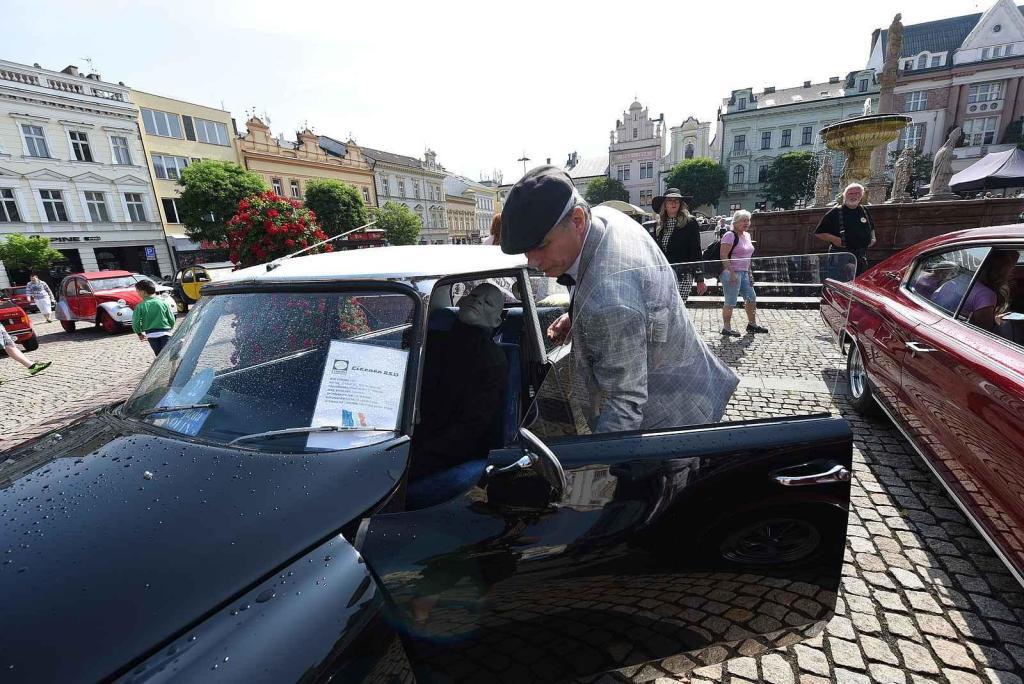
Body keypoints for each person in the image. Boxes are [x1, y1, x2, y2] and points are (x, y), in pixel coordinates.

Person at [500, 165, 738, 433]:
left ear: (577, 219)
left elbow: (623, 407)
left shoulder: (609, 301)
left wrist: (591, 467)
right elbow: (628, 298)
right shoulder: (603, 217)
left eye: (540, 245)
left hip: (665, 425)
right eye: (525, 251)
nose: (532, 261)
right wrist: (575, 315)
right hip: (686, 387)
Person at [407, 283, 508, 508]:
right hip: (411, 436)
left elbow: (472, 425)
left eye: (488, 302)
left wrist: (423, 453)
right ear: (460, 302)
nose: (477, 301)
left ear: (496, 322)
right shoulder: (429, 341)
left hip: (449, 450)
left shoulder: (493, 359)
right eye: (473, 295)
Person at [933, 250, 1018, 330]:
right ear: (1002, 272)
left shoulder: (959, 279)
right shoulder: (985, 294)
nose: (1011, 272)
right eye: (1010, 269)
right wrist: (999, 321)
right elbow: (985, 330)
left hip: (939, 322)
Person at [650, 188, 707, 300]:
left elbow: (696, 251)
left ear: (681, 204)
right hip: (665, 274)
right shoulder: (659, 224)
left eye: (677, 200)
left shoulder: (690, 222)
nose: (673, 203)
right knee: (667, 309)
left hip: (684, 274)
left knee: (677, 307)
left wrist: (700, 279)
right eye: (670, 200)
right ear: (664, 204)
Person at [720, 210, 768, 337]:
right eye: (743, 220)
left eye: (748, 220)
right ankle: (727, 328)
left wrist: (749, 273)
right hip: (731, 272)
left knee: (751, 297)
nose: (746, 223)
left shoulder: (747, 235)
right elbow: (723, 255)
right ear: (735, 222)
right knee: (730, 300)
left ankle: (752, 325)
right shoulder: (729, 235)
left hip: (745, 272)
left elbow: (748, 257)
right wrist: (731, 273)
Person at [814, 183, 876, 276]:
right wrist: (835, 239)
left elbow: (871, 227)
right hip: (841, 257)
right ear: (844, 195)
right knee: (840, 285)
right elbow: (819, 232)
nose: (854, 196)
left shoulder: (864, 210)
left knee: (858, 284)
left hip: (861, 256)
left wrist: (873, 238)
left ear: (862, 195)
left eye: (857, 193)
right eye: (850, 193)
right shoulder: (835, 212)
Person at [131, 278, 176, 356]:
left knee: (159, 355)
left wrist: (139, 333)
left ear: (143, 292)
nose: (137, 293)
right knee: (169, 353)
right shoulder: (163, 303)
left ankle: (162, 367)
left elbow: (135, 322)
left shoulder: (140, 306)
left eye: (137, 291)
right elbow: (171, 318)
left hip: (151, 334)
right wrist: (170, 327)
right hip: (165, 332)